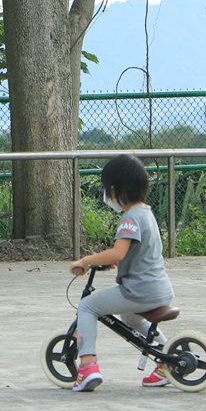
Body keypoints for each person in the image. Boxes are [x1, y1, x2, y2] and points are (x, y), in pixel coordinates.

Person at [67, 154, 175, 392]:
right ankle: (167, 358)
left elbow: (118, 252)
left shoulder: (129, 219)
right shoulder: (146, 212)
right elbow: (134, 253)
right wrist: (113, 263)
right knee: (131, 318)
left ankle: (87, 365)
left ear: (115, 190)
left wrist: (86, 260)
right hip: (160, 289)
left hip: (139, 291)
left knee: (87, 307)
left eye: (107, 189)